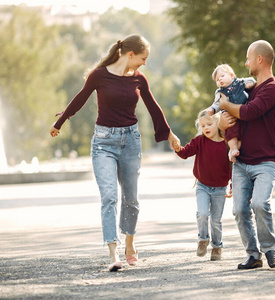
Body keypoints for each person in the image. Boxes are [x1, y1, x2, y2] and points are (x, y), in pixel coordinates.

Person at [50, 34, 180, 272]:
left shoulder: (139, 79)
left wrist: (169, 134)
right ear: (130, 54)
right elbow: (80, 98)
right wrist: (61, 122)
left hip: (131, 141)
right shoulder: (98, 75)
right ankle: (113, 251)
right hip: (103, 143)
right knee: (109, 196)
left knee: (131, 198)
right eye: (143, 58)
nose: (144, 63)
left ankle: (130, 243)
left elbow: (153, 107)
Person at [218, 40, 275, 269]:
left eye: (248, 58)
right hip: (242, 161)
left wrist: (226, 105)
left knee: (260, 203)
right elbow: (232, 121)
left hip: (266, 160)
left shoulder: (274, 88)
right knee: (239, 210)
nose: (245, 63)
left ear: (259, 59)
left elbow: (250, 112)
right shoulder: (248, 89)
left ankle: (270, 250)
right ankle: (253, 255)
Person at [174, 109, 231, 261]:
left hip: (220, 188)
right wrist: (177, 148)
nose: (206, 128)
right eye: (203, 125)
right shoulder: (199, 141)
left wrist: (232, 184)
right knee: (203, 213)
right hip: (203, 186)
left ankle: (217, 247)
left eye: (209, 124)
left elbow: (231, 165)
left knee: (216, 220)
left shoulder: (226, 143)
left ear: (217, 123)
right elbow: (185, 153)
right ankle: (203, 239)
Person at [207, 64, 256, 163]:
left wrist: (250, 83)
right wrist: (212, 110)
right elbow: (217, 104)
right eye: (217, 80)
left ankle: (236, 149)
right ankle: (233, 149)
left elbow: (251, 80)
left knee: (243, 134)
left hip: (242, 112)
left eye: (222, 76)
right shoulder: (220, 92)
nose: (220, 79)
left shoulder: (240, 82)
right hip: (230, 117)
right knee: (231, 132)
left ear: (232, 75)